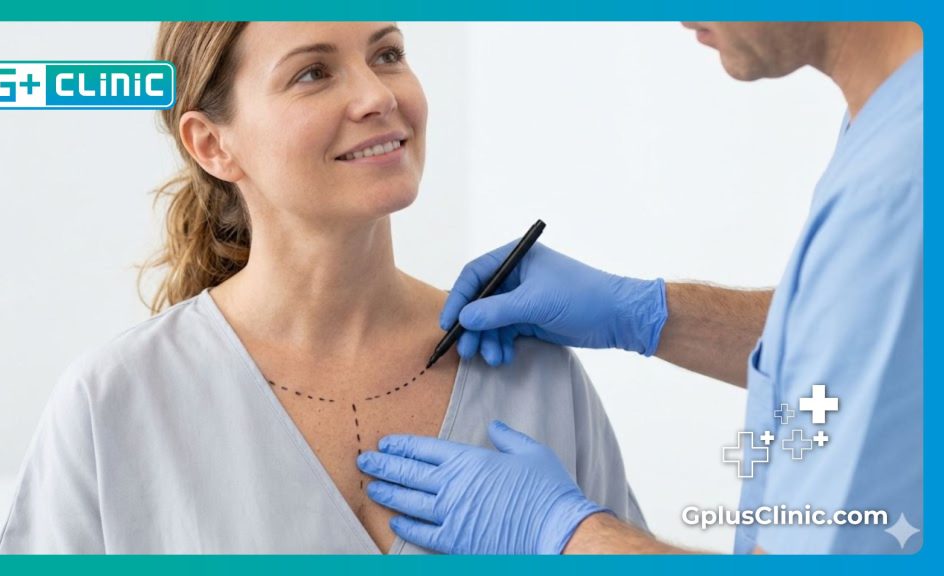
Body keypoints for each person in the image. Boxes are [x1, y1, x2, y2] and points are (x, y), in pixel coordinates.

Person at [0, 21, 645, 554]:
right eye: (313, 72)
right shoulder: (113, 401)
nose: (377, 96)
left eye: (387, 54)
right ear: (212, 144)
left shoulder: (532, 371)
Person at [359, 21, 923, 555]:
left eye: (388, 54)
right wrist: (646, 312)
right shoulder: (890, 123)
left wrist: (563, 534)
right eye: (316, 73)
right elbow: (876, 342)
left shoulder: (899, 186)